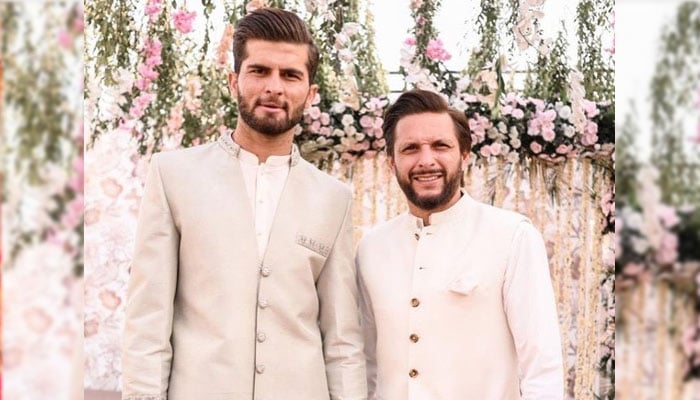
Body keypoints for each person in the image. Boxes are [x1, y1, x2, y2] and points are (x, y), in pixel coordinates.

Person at [122, 8, 366, 400]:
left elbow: (342, 341)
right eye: (259, 71)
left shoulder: (333, 198)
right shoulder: (174, 176)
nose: (274, 87)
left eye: (290, 75)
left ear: (311, 92)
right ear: (235, 79)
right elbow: (147, 322)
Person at [356, 89, 563, 399]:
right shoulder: (371, 248)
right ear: (391, 162)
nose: (426, 160)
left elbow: (542, 367)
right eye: (410, 148)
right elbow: (367, 364)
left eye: (440, 146)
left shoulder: (512, 237)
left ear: (464, 155)